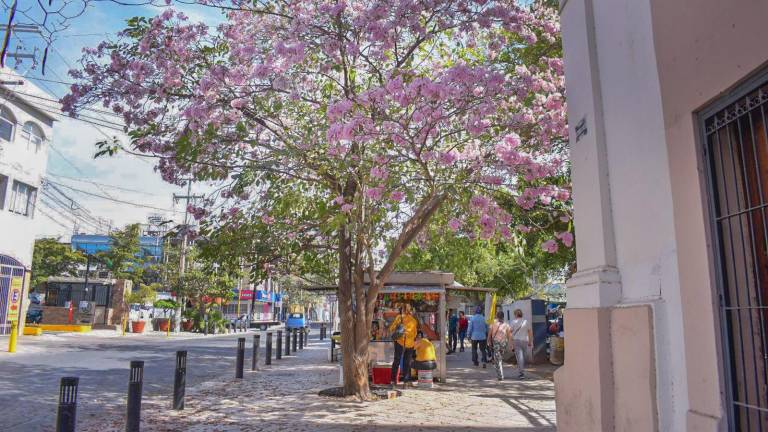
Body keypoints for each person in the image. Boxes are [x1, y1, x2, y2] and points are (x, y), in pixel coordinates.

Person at [389, 303, 418, 387]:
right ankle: (406, 382)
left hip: (400, 342)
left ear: (402, 309)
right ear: (410, 310)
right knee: (407, 362)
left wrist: (398, 330)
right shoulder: (413, 320)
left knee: (396, 361)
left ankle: (393, 381)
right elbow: (415, 334)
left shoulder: (399, 317)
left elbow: (391, 328)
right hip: (410, 344)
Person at [488, 310, 512, 380]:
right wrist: (510, 344)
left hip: (496, 343)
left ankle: (500, 375)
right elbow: (509, 335)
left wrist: (488, 341)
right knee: (499, 358)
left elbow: (489, 334)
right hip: (504, 343)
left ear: (497, 316)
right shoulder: (506, 324)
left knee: (497, 359)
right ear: (503, 316)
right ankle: (500, 374)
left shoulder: (493, 323)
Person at [510, 308, 533, 379]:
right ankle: (522, 370)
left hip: (516, 341)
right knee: (523, 357)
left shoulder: (513, 322)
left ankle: (521, 373)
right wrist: (530, 341)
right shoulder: (526, 322)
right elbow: (530, 332)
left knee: (520, 357)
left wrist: (511, 342)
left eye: (514, 314)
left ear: (516, 314)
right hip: (525, 341)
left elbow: (510, 332)